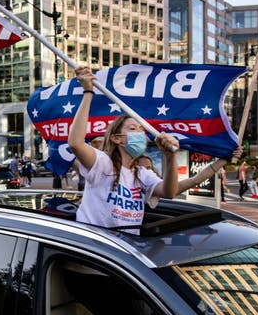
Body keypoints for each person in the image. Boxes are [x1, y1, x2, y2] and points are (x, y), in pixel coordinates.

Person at [67, 66, 180, 230]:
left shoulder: (142, 173)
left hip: (126, 247)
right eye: (132, 129)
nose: (140, 133)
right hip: (96, 246)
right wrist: (88, 92)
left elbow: (169, 192)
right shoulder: (102, 163)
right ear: (116, 139)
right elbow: (75, 143)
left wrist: (171, 158)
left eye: (141, 130)